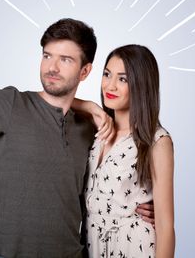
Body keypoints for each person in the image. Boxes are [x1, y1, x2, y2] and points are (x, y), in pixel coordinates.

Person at [0, 9, 154, 257]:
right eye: (47, 55)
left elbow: (101, 191)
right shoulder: (10, 105)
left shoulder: (91, 129)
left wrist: (140, 207)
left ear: (85, 71)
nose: (52, 67)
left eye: (65, 60)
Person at [75, 45, 175, 257]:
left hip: (133, 246)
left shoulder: (157, 140)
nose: (110, 86)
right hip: (92, 245)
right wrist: (92, 107)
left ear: (141, 85)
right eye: (107, 74)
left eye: (123, 79)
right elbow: (59, 102)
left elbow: (165, 227)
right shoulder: (98, 126)